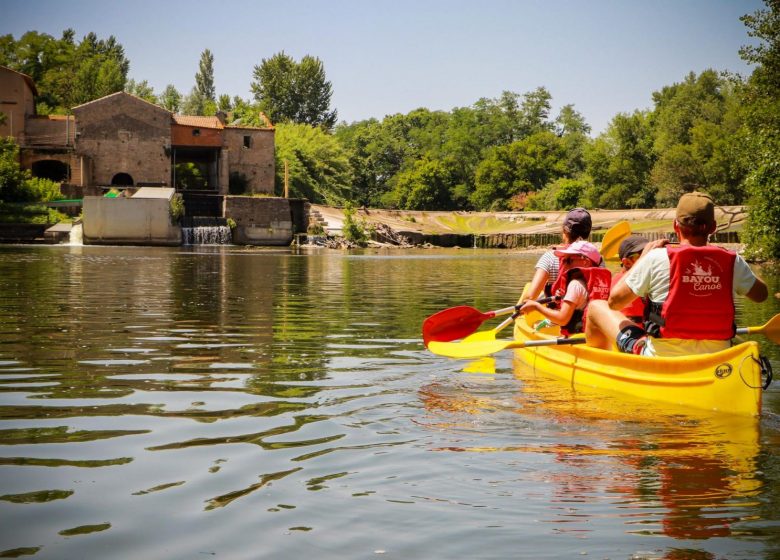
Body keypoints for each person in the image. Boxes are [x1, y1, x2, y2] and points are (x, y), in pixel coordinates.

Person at [585, 192, 768, 357]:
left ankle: (601, 363)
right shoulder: (732, 261)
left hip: (661, 358)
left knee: (596, 306)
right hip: (717, 358)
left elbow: (614, 302)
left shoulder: (655, 258)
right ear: (713, 228)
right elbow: (762, 295)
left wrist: (642, 259)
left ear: (675, 226)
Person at [519, 240, 611, 336]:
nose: (564, 264)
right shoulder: (600, 283)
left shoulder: (575, 285)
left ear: (585, 262)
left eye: (568, 261)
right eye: (563, 260)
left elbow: (562, 320)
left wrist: (536, 306)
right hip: (593, 338)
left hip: (575, 341)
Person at [522, 208, 597, 303]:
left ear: (564, 231)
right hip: (588, 315)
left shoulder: (551, 257)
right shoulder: (596, 258)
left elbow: (530, 297)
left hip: (557, 314)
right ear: (588, 233)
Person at [612, 234, 649, 324]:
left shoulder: (652, 279)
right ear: (627, 262)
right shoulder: (617, 284)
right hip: (631, 335)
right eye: (641, 256)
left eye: (649, 253)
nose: (647, 258)